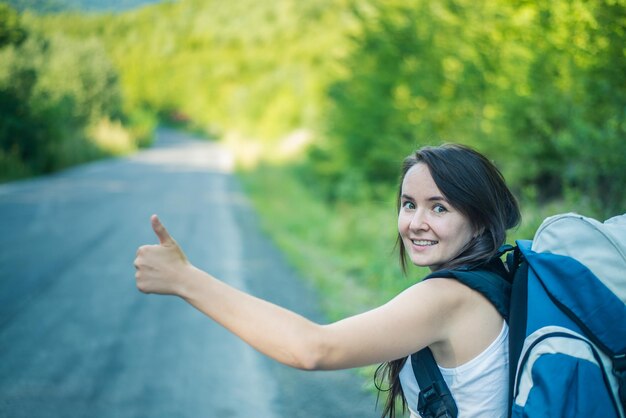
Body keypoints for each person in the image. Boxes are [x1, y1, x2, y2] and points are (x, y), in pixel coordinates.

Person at [134, 143, 521, 418]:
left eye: (439, 207)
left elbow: (312, 349)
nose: (415, 222)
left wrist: (185, 279)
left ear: (481, 221)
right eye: (408, 204)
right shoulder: (494, 281)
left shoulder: (448, 297)